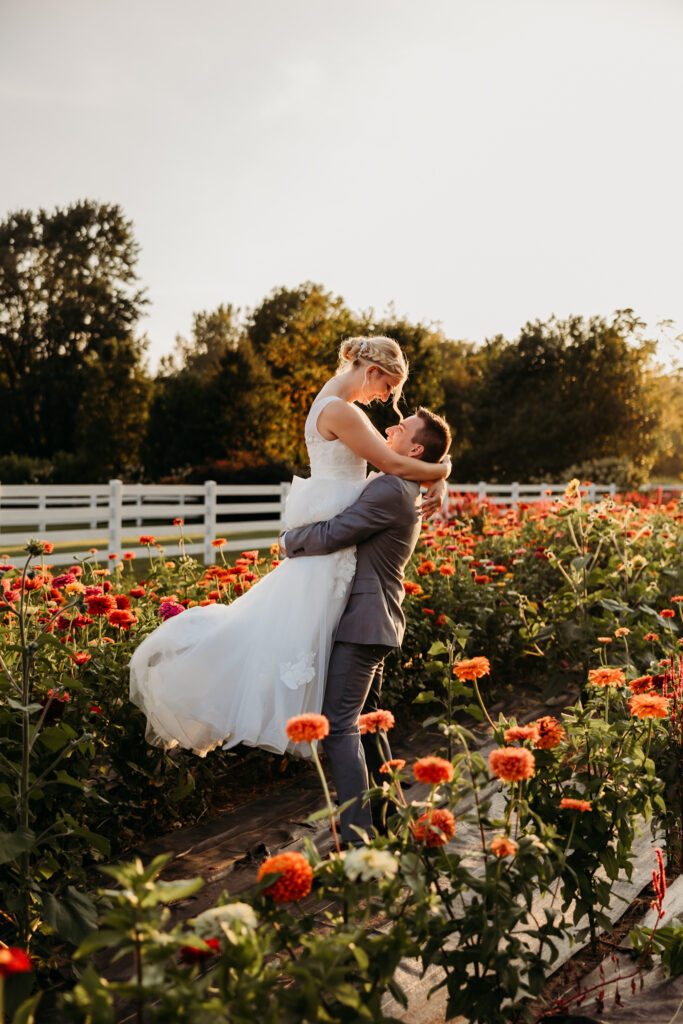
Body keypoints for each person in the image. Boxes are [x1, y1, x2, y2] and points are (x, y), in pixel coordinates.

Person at [129, 337, 450, 757]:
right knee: (348, 700)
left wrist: (437, 474)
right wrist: (442, 469)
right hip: (336, 543)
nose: (386, 398)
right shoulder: (341, 410)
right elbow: (391, 464)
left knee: (358, 704)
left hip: (345, 541)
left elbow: (394, 464)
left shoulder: (334, 404)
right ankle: (375, 810)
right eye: (388, 386)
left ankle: (378, 808)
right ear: (372, 371)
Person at [280, 407, 452, 845]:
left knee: (339, 728)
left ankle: (358, 841)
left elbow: (338, 531)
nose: (389, 427)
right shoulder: (399, 484)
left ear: (414, 449)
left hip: (363, 623)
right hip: (372, 620)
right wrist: (442, 473)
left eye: (402, 428)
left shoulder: (393, 489)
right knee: (368, 724)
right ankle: (388, 818)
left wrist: (287, 541)